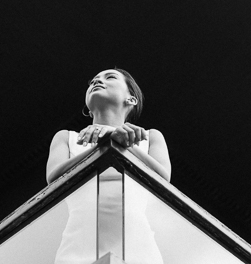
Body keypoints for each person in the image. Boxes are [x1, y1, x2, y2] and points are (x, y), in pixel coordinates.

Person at [46, 69, 171, 264]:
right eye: (93, 81)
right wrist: (104, 144)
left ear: (131, 99)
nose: (96, 82)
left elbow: (163, 179)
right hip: (78, 247)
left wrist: (118, 143)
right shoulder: (66, 137)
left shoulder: (150, 137)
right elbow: (53, 179)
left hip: (137, 247)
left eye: (110, 77)